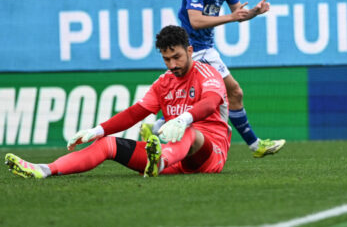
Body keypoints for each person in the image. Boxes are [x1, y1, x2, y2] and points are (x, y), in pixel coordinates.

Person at [5, 25, 231, 178]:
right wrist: (98, 130)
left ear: (190, 51)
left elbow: (211, 102)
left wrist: (183, 119)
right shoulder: (163, 83)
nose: (172, 65)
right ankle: (44, 170)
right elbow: (134, 113)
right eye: (166, 59)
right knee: (107, 144)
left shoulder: (207, 74)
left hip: (210, 156)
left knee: (189, 131)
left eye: (177, 57)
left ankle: (159, 161)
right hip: (173, 156)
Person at [176, 0, 285, 158]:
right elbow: (195, 21)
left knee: (228, 93)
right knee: (231, 92)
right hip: (191, 50)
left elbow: (238, 14)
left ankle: (156, 129)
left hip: (207, 47)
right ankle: (255, 146)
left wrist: (255, 12)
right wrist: (230, 17)